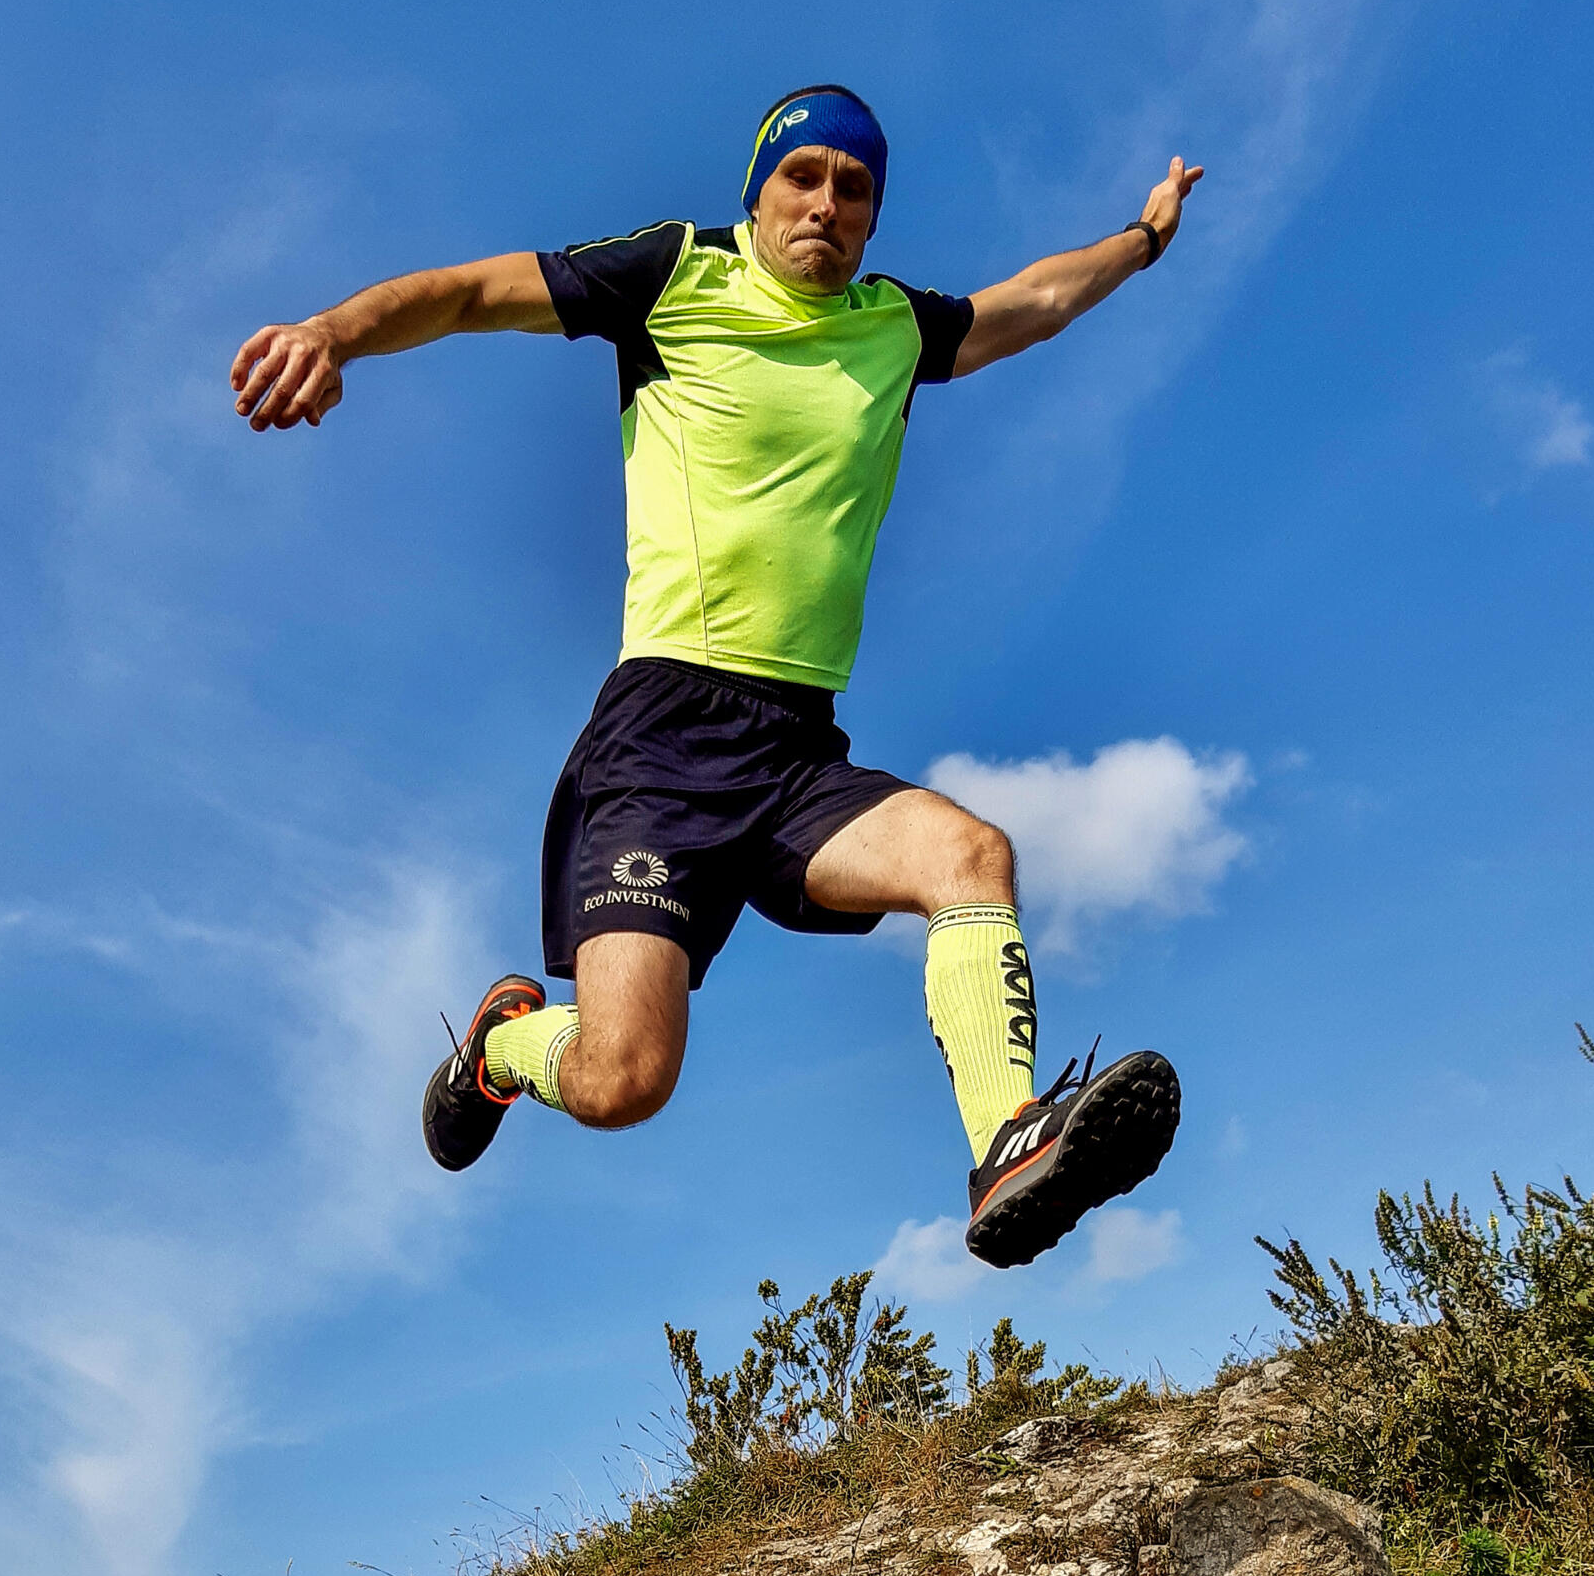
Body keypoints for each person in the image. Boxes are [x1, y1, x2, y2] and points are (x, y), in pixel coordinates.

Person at [230, 85, 1203, 1268]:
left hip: (799, 753)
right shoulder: (673, 277)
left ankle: (1008, 1140)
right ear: (760, 190)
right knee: (624, 1077)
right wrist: (333, 333)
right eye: (805, 177)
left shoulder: (896, 327)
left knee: (971, 854)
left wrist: (1144, 240)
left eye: (856, 189)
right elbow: (470, 293)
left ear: (874, 218)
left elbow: (1039, 300)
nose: (828, 204)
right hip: (663, 737)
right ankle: (500, 1048)